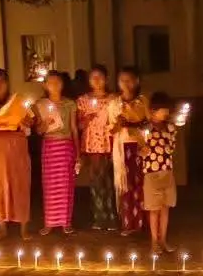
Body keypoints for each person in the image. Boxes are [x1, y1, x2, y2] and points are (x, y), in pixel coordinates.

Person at [0, 68, 33, 241]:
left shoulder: (19, 101)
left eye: (1, 80)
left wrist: (29, 122)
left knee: (19, 185)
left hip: (16, 149)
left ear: (7, 82)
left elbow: (32, 123)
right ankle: (2, 226)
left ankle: (23, 226)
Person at [36, 71, 79, 235]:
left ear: (63, 84)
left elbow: (74, 128)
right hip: (50, 146)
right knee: (50, 185)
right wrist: (45, 124)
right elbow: (38, 130)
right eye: (50, 82)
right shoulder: (40, 104)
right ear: (45, 85)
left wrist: (77, 152)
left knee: (66, 184)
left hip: (66, 146)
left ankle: (66, 222)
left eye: (57, 82)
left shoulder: (70, 104)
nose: (54, 85)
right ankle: (49, 222)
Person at [109, 66, 149, 236]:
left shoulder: (143, 102)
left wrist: (136, 124)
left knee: (141, 184)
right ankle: (127, 222)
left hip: (139, 146)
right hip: (122, 147)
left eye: (129, 79)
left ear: (136, 81)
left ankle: (142, 221)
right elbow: (111, 129)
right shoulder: (114, 104)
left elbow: (149, 123)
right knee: (125, 185)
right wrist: (118, 124)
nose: (126, 83)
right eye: (122, 80)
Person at [76, 64, 117, 230]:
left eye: (100, 76)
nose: (97, 80)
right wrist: (86, 119)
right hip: (92, 145)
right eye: (93, 77)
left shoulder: (113, 99)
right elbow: (78, 125)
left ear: (106, 79)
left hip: (110, 143)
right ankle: (98, 216)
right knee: (96, 182)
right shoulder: (83, 101)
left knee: (110, 180)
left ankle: (112, 215)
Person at [139, 92, 178, 254]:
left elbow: (172, 147)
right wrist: (142, 149)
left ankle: (163, 240)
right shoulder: (145, 127)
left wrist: (168, 143)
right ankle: (154, 241)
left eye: (167, 111)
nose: (166, 113)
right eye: (163, 110)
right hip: (151, 173)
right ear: (154, 110)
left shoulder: (170, 127)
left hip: (166, 172)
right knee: (154, 209)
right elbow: (140, 148)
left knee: (165, 207)